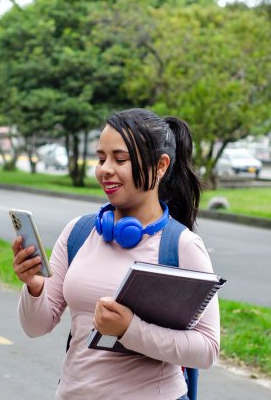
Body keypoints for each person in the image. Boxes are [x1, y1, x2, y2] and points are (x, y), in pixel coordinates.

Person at [12, 108, 220, 400]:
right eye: (100, 158)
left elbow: (208, 349)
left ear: (160, 166)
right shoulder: (79, 233)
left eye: (120, 159)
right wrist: (34, 287)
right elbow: (35, 327)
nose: (104, 169)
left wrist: (129, 329)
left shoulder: (182, 246)